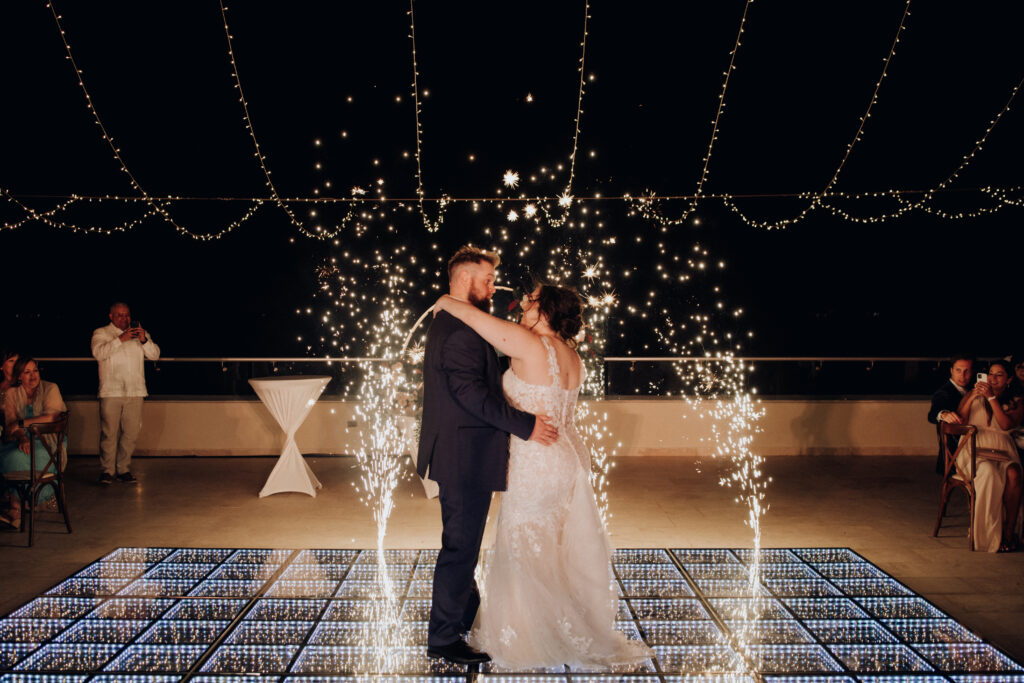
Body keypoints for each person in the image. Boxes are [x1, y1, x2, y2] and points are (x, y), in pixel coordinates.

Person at [433, 283, 653, 670]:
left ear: (546, 311)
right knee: (550, 550)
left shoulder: (529, 343)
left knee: (522, 549)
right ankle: (564, 627)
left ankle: (533, 638)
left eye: (531, 302)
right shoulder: (574, 358)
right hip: (568, 459)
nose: (522, 306)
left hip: (536, 461)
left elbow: (477, 319)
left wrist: (447, 301)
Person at [417, 246, 558, 666]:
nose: (494, 287)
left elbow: (481, 376)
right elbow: (471, 395)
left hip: (462, 453)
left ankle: (467, 615)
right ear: (464, 281)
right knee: (460, 547)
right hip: (464, 456)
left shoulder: (459, 323)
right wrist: (527, 424)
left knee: (463, 542)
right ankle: (443, 638)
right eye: (488, 280)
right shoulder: (458, 330)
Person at [956, 360, 1023, 552]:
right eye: (990, 373)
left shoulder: (1017, 401)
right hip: (974, 448)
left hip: (1003, 449)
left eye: (999, 374)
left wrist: (992, 398)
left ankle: (1009, 533)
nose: (992, 378)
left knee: (1014, 473)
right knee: (988, 472)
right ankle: (987, 536)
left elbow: (1005, 425)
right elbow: (960, 421)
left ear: (1009, 379)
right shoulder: (973, 394)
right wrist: (972, 397)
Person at [91, 302, 160, 484]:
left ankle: (123, 469)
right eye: (120, 315)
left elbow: (155, 355)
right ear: (111, 316)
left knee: (131, 433)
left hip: (135, 391)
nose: (124, 318)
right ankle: (107, 471)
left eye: (127, 315)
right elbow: (98, 353)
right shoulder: (101, 333)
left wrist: (144, 339)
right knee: (109, 433)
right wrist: (120, 339)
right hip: (111, 391)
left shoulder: (139, 333)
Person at [1, 357, 68, 529]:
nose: (33, 376)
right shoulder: (12, 394)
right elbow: (10, 424)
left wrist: (23, 424)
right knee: (11, 454)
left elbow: (52, 417)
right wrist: (22, 436)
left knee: (21, 456)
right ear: (19, 377)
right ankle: (18, 506)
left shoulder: (50, 388)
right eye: (27, 372)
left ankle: (15, 508)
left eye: (35, 371)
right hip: (21, 439)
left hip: (48, 440)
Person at [928, 354, 974, 474]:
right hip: (956, 455)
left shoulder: (972, 389)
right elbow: (932, 414)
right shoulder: (943, 393)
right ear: (951, 371)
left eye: (967, 371)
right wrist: (943, 414)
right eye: (958, 370)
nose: (963, 376)